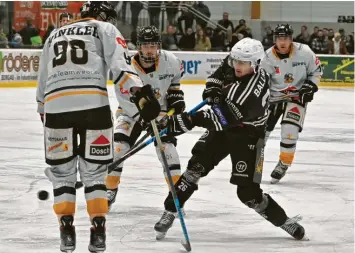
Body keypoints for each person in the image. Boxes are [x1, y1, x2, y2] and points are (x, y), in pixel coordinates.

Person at [153, 38, 306, 241]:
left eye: (243, 63)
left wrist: (182, 121)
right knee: (196, 167)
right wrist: (213, 89)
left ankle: (283, 220)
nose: (237, 66)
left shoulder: (250, 93)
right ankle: (170, 211)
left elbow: (219, 119)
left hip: (248, 135)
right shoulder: (238, 60)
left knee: (248, 194)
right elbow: (218, 75)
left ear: (255, 64)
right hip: (226, 125)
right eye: (236, 61)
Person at [36, 2, 160, 252]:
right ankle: (98, 231)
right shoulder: (104, 29)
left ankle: (66, 231)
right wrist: (140, 96)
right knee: (94, 174)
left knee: (62, 174)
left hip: (56, 107)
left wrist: (43, 109)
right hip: (94, 106)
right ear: (103, 15)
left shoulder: (54, 34)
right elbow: (122, 68)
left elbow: (42, 79)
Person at [105, 25, 186, 210]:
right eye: (145, 45)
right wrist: (143, 120)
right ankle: (110, 189)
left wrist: (176, 100)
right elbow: (125, 99)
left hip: (161, 114)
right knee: (118, 149)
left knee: (168, 151)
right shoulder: (125, 67)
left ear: (158, 46)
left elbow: (174, 85)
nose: (150, 50)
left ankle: (176, 194)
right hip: (131, 113)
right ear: (138, 46)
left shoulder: (171, 61)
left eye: (153, 45)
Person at [260, 24, 322, 184]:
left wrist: (311, 85)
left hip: (296, 97)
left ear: (291, 39)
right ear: (275, 39)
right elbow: (261, 82)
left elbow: (316, 70)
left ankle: (284, 163)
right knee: (260, 131)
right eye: (279, 38)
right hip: (274, 98)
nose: (283, 41)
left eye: (286, 38)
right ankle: (254, 162)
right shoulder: (267, 58)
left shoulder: (305, 52)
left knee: (290, 129)